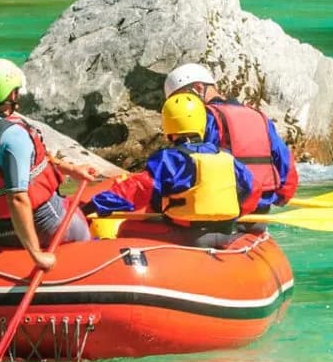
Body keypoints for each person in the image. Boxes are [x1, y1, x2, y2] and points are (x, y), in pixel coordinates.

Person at [0, 58, 92, 271]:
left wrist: (72, 170)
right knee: (78, 216)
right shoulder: (13, 136)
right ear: (12, 95)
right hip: (45, 222)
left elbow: (31, 166)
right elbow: (18, 198)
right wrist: (36, 255)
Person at [91, 92, 253, 248]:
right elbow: (251, 188)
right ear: (202, 123)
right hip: (224, 233)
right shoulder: (227, 157)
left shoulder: (169, 159)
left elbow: (137, 189)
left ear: (168, 125)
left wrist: (96, 205)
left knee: (126, 228)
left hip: (186, 235)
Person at [160, 62, 297, 210]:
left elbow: (185, 165)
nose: (178, 107)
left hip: (222, 209)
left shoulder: (205, 118)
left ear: (198, 88)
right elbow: (286, 164)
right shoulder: (258, 116)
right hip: (260, 208)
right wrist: (280, 198)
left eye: (180, 99)